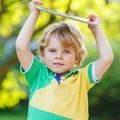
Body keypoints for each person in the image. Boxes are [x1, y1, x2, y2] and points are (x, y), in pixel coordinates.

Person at [15, 0, 113, 120]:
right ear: (43, 54)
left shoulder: (82, 78)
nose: (59, 56)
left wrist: (96, 29)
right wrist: (34, 14)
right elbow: (21, 47)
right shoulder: (37, 74)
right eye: (52, 50)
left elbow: (107, 59)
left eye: (66, 51)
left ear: (77, 57)